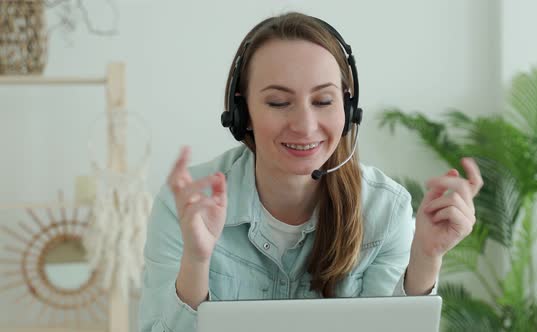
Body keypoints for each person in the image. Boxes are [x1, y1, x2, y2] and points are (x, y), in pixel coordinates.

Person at [138, 12, 483, 332]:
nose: (305, 126)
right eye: (278, 102)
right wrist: (197, 262)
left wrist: (425, 257)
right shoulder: (185, 206)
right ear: (242, 113)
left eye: (323, 101)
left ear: (348, 109)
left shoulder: (386, 209)